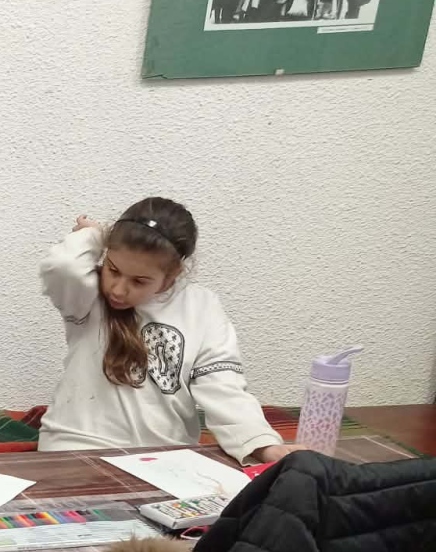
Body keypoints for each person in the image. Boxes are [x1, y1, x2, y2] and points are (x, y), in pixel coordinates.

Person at [36, 198, 294, 465]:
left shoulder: (201, 307)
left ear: (172, 275)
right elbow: (63, 265)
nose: (118, 290)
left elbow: (223, 387)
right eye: (113, 270)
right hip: (76, 447)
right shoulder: (87, 296)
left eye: (139, 281)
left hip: (165, 458)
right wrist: (95, 234)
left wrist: (263, 444)